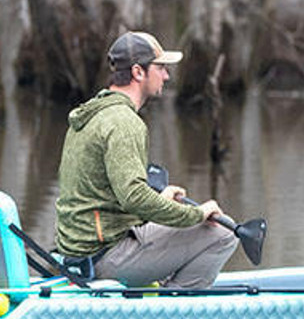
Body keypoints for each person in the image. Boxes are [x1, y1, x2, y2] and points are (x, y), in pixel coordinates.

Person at [54, 30, 238, 289]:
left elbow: (109, 196)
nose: (166, 75)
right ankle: (171, 318)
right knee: (223, 234)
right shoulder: (124, 122)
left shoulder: (92, 115)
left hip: (79, 256)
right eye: (161, 67)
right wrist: (195, 214)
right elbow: (134, 197)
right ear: (139, 72)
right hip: (105, 259)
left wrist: (160, 203)